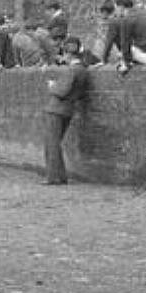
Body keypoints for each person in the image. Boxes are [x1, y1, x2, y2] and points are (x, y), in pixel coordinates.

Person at [41, 36, 89, 185]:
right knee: (55, 142)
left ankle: (53, 176)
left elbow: (62, 91)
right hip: (69, 109)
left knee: (51, 143)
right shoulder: (83, 70)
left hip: (56, 109)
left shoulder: (70, 70)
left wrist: (52, 85)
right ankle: (60, 176)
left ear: (69, 55)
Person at [96, 0, 121, 64]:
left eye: (106, 13)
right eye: (103, 12)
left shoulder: (115, 21)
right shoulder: (102, 21)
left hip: (112, 48)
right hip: (104, 48)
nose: (104, 14)